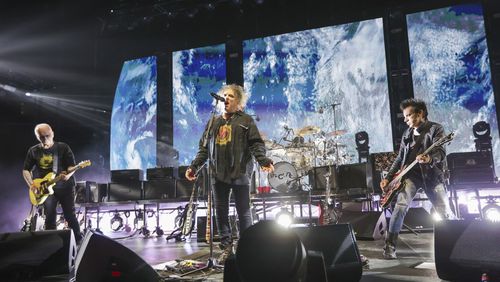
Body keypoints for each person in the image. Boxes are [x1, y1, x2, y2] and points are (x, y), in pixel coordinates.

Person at [185, 84, 274, 264]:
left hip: (240, 172)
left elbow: (256, 144)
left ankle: (246, 247)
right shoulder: (213, 122)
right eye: (224, 95)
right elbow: (203, 150)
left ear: (239, 103)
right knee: (221, 211)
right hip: (218, 174)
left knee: (243, 211)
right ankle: (226, 247)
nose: (226, 98)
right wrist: (194, 167)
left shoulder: (246, 120)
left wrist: (263, 160)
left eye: (231, 96)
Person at [380, 99, 455, 259]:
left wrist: (429, 159)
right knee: (400, 206)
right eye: (405, 117)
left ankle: (451, 246)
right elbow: (400, 158)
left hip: (432, 176)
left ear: (420, 113)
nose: (405, 119)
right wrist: (388, 178)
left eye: (408, 116)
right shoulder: (407, 134)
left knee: (444, 211)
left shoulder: (436, 129)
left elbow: (441, 153)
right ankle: (390, 246)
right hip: (411, 177)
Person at [22, 123, 83, 242]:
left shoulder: (63, 147)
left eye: (47, 135)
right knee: (49, 217)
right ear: (37, 137)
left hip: (65, 187)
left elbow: (71, 167)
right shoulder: (34, 151)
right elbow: (25, 170)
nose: (45, 139)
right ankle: (52, 243)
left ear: (52, 134)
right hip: (45, 189)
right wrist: (32, 185)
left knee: (70, 215)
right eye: (42, 137)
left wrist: (68, 175)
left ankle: (78, 240)